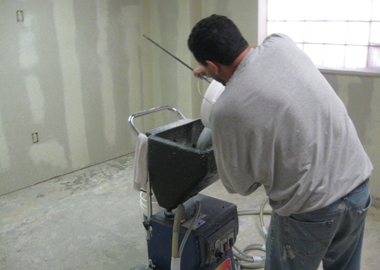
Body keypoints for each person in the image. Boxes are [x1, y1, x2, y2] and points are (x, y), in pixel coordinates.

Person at [188, 14, 373, 270]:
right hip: (357, 185)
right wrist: (214, 72)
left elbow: (239, 185)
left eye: (207, 68)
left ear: (213, 66)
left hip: (312, 209)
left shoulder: (226, 111)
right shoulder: (281, 43)